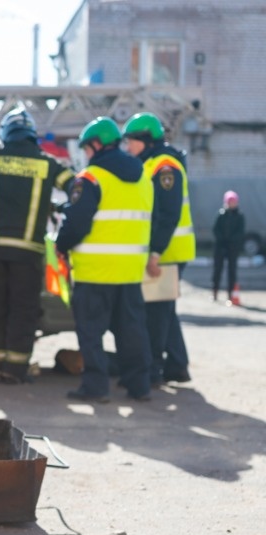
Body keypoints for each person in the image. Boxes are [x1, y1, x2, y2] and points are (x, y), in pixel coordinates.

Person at [0, 107, 75, 384]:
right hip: (28, 252)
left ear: (5, 133)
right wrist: (55, 205)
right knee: (23, 309)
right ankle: (15, 370)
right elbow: (75, 185)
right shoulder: (46, 163)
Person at [56, 117, 153, 403]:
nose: (85, 154)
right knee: (132, 331)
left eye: (86, 148)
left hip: (95, 271)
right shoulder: (143, 177)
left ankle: (96, 387)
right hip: (130, 270)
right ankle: (140, 386)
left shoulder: (91, 178)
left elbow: (76, 224)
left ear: (96, 144)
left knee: (91, 333)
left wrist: (61, 245)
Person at [121, 112, 196, 385]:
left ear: (145, 140)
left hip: (167, 252)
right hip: (166, 251)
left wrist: (155, 253)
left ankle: (153, 370)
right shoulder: (152, 162)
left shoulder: (165, 166)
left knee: (156, 313)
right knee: (164, 311)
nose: (128, 148)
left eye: (131, 142)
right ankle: (177, 366)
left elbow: (168, 214)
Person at [212, 190, 246, 303]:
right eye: (230, 201)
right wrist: (222, 241)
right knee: (218, 270)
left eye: (234, 201)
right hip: (220, 246)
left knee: (232, 271)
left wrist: (231, 241)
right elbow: (216, 230)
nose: (232, 204)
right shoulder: (221, 214)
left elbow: (240, 232)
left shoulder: (240, 216)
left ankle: (230, 295)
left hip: (233, 247)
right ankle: (215, 292)